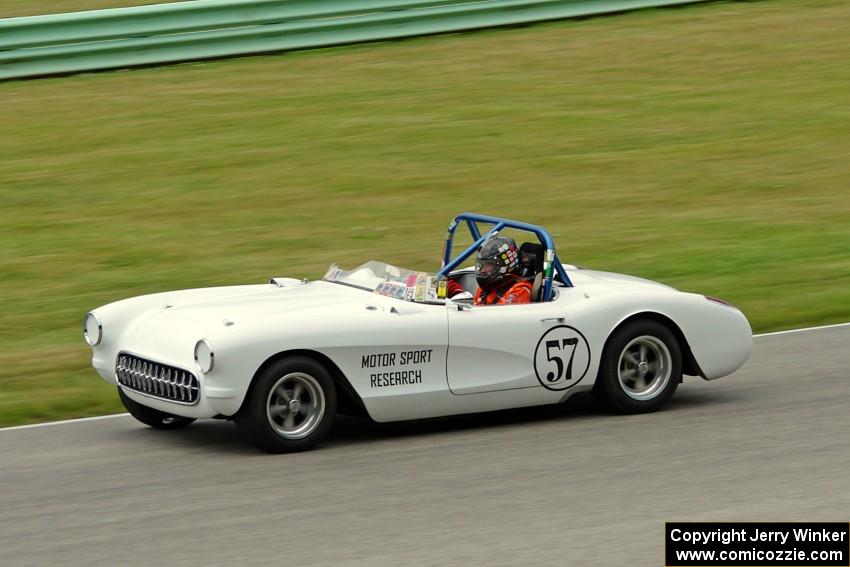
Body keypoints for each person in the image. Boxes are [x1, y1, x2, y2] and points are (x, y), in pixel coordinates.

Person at [472, 236, 532, 305]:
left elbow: (502, 315)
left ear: (504, 264)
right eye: (481, 265)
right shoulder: (482, 290)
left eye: (488, 265)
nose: (482, 270)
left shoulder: (520, 290)